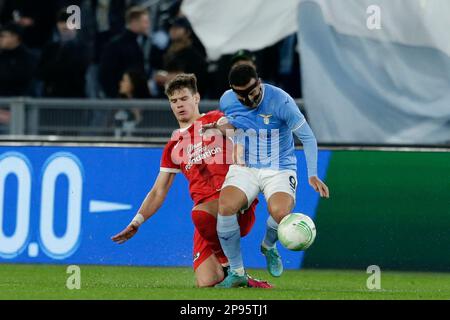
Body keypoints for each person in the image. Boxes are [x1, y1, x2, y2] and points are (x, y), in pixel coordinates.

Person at [111, 73, 271, 288]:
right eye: (174, 101)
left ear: (196, 98)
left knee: (199, 214)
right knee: (207, 281)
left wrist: (222, 132)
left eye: (184, 98)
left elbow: (236, 131)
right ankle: (243, 280)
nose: (179, 105)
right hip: (206, 217)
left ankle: (234, 269)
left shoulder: (215, 118)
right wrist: (136, 221)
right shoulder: (173, 146)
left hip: (234, 200)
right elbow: (159, 191)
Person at [208, 64, 329, 288]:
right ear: (233, 91)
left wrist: (312, 174)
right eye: (241, 95)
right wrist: (227, 133)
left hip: (280, 166)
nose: (248, 98)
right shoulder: (227, 100)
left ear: (259, 82)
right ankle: (237, 273)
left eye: (252, 92)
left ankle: (268, 246)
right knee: (225, 207)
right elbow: (232, 123)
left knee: (281, 212)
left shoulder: (281, 101)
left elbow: (308, 138)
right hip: (246, 166)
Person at [113, 68, 151, 137]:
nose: (121, 83)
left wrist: (138, 117)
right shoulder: (119, 105)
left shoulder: (147, 107)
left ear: (133, 83)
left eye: (124, 80)